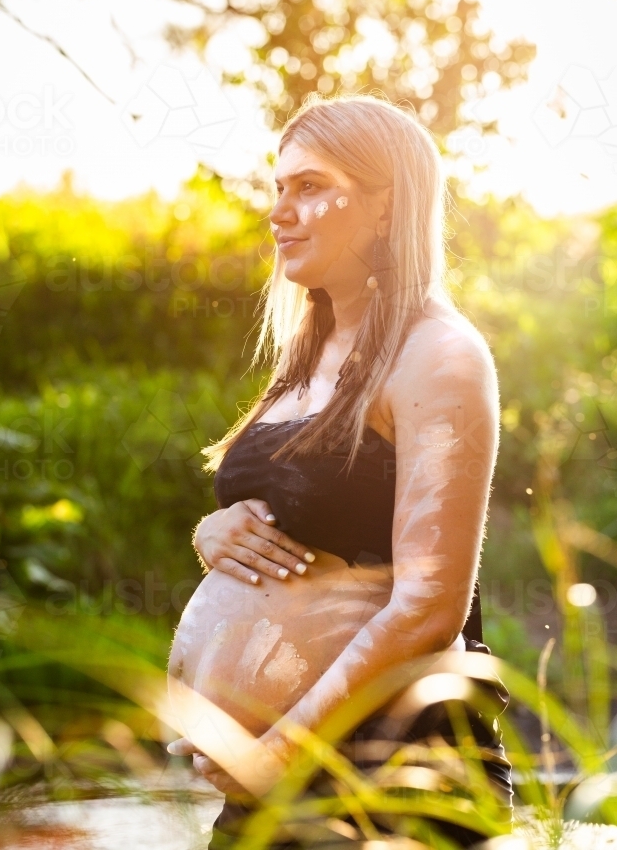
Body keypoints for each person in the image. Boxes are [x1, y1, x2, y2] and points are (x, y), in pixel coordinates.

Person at [167, 93, 514, 847]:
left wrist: (281, 749)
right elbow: (299, 510)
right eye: (278, 188)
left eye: (311, 187)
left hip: (398, 778)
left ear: (387, 208)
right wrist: (214, 529)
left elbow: (428, 606)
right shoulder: (307, 354)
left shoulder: (437, 357)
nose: (279, 212)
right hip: (276, 782)